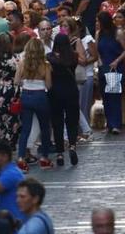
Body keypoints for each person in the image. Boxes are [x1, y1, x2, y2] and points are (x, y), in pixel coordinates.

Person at [14, 38, 54, 170]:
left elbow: (16, 81)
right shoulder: (46, 65)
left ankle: (21, 158)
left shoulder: (22, 63)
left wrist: (26, 83)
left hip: (26, 95)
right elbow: (48, 85)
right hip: (40, 96)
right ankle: (44, 158)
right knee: (45, 128)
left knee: (25, 128)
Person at [47, 34, 80, 167]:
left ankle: (60, 152)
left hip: (55, 92)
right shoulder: (74, 56)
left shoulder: (49, 57)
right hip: (71, 90)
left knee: (57, 122)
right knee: (72, 120)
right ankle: (72, 145)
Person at [96, 11, 125, 134]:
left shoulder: (118, 33)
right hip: (103, 67)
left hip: (114, 67)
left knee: (114, 96)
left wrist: (117, 61)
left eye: (98, 21)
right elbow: (97, 50)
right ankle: (109, 123)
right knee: (105, 97)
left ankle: (116, 124)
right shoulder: (99, 34)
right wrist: (99, 61)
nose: (97, 23)